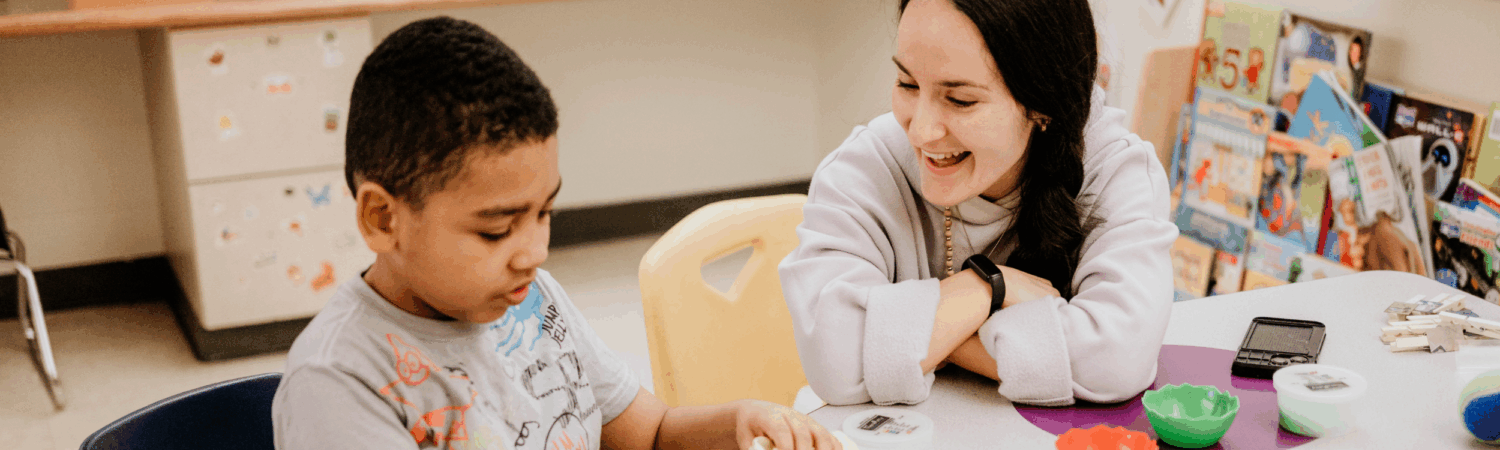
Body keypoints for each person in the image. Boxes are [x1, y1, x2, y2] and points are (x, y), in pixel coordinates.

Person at [272, 17, 840, 450]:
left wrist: (742, 421)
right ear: (382, 219)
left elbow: (650, 433)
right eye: (497, 230)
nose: (535, 254)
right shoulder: (338, 383)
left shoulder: (531, 300)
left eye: (545, 213)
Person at [779, 0, 1177, 407]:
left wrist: (918, 339)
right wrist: (985, 286)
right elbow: (838, 363)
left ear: (1042, 104)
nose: (921, 131)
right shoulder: (864, 169)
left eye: (961, 101)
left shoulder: (1115, 168)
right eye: (907, 84)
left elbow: (1116, 360)